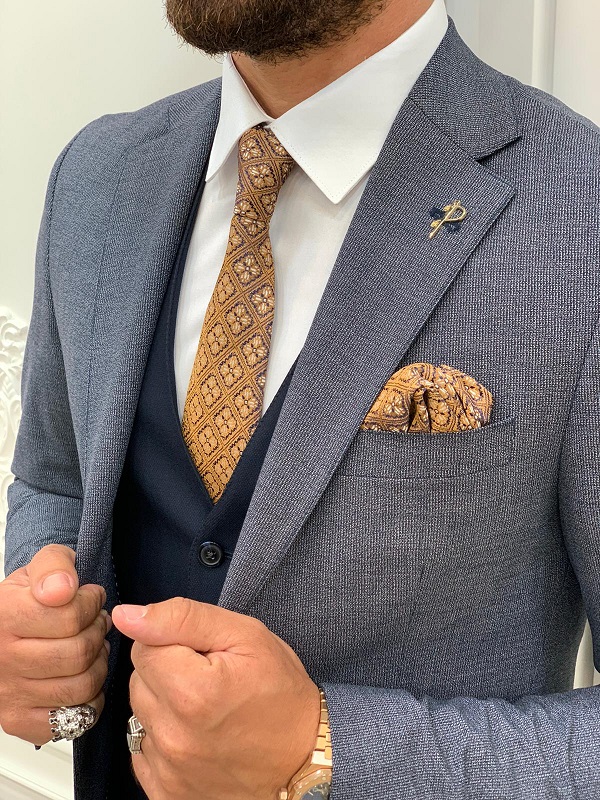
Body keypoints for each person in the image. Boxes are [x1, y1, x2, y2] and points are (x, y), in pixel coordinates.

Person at [2, 0, 600, 796]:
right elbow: (55, 478)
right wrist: (39, 622)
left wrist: (326, 751)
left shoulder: (581, 215)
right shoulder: (98, 173)